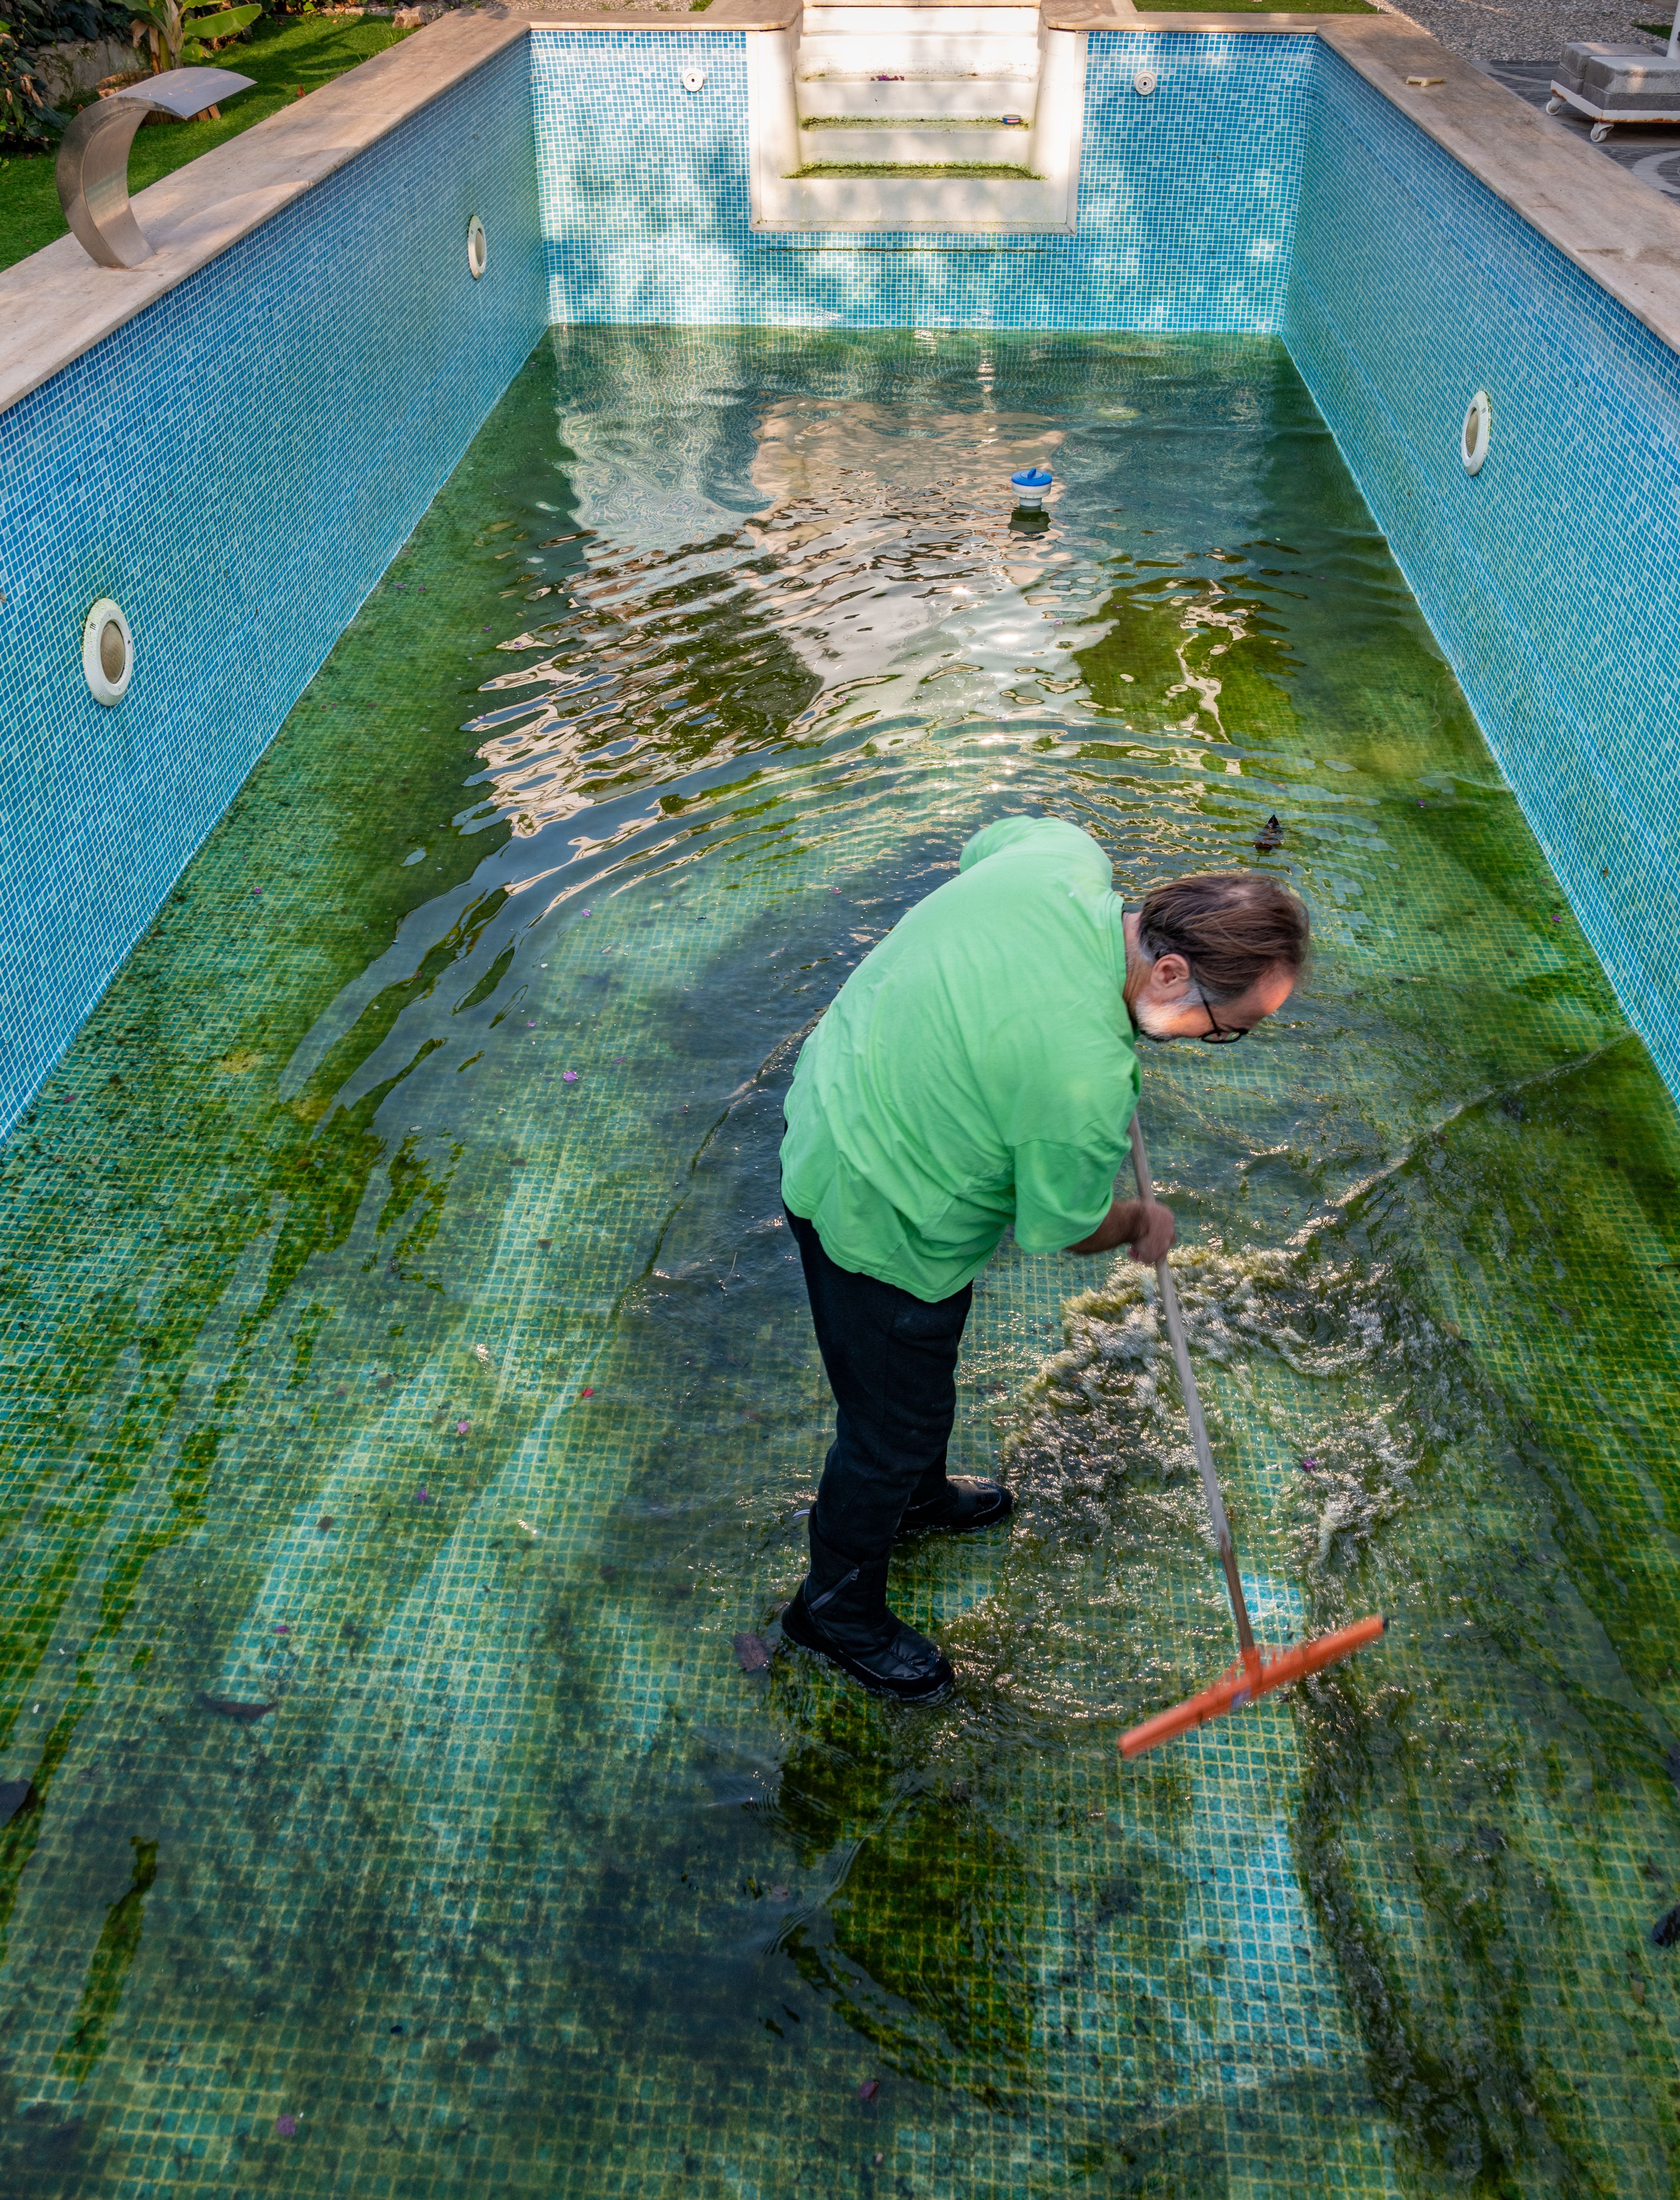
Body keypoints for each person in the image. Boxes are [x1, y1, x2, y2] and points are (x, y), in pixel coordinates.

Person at [778, 813, 1308, 1700]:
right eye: (1228, 1028)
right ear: (1171, 970)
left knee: (915, 1386)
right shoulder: (1085, 1078)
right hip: (876, 1212)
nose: (1217, 1045)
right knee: (883, 1426)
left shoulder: (1062, 856)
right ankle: (832, 1612)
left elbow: (983, 846)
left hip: (841, 1087)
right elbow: (1060, 1224)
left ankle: (917, 1499)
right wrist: (1138, 1221)